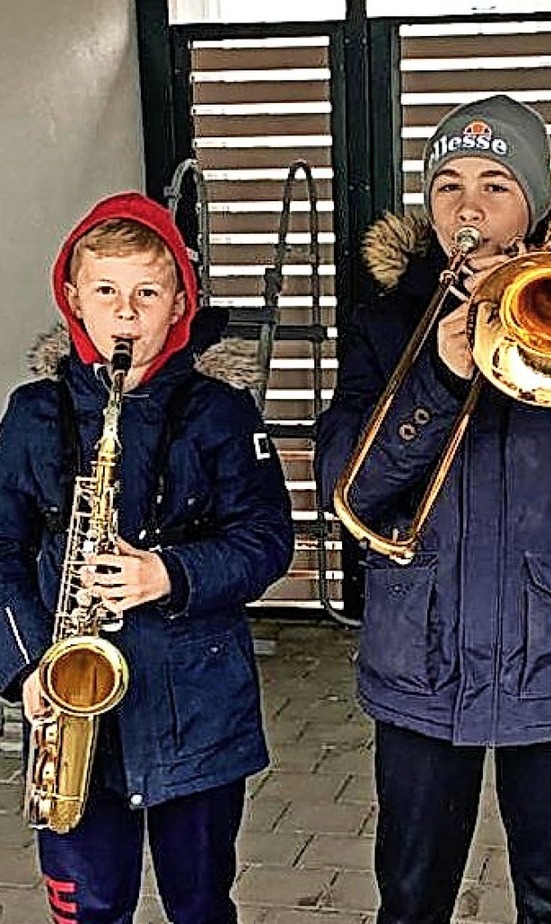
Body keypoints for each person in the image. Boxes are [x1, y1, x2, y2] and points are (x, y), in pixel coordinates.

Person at [314, 94, 551, 923]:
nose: (469, 205)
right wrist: (439, 373)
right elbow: (348, 484)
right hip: (423, 648)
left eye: (497, 184)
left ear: (534, 200)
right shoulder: (386, 323)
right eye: (450, 182)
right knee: (414, 894)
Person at [0, 191, 294, 924]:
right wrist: (30, 665)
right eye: (106, 290)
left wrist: (168, 573)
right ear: (73, 297)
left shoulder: (223, 413)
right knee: (90, 908)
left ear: (180, 304)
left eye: (147, 293)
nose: (125, 314)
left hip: (198, 711)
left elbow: (267, 542)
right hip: (72, 712)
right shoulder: (33, 414)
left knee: (201, 903)